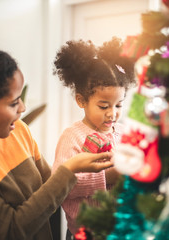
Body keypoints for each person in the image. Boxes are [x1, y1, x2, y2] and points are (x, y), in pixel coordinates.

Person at [0, 47, 114, 240]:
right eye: (13, 102)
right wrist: (68, 170)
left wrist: (99, 174)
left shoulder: (18, 130)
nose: (23, 108)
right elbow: (12, 230)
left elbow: (50, 188)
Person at [52, 37, 136, 238]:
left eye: (118, 105)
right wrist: (107, 177)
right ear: (82, 100)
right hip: (85, 232)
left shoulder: (123, 132)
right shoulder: (72, 137)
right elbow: (62, 185)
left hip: (120, 228)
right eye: (104, 106)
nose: (112, 114)